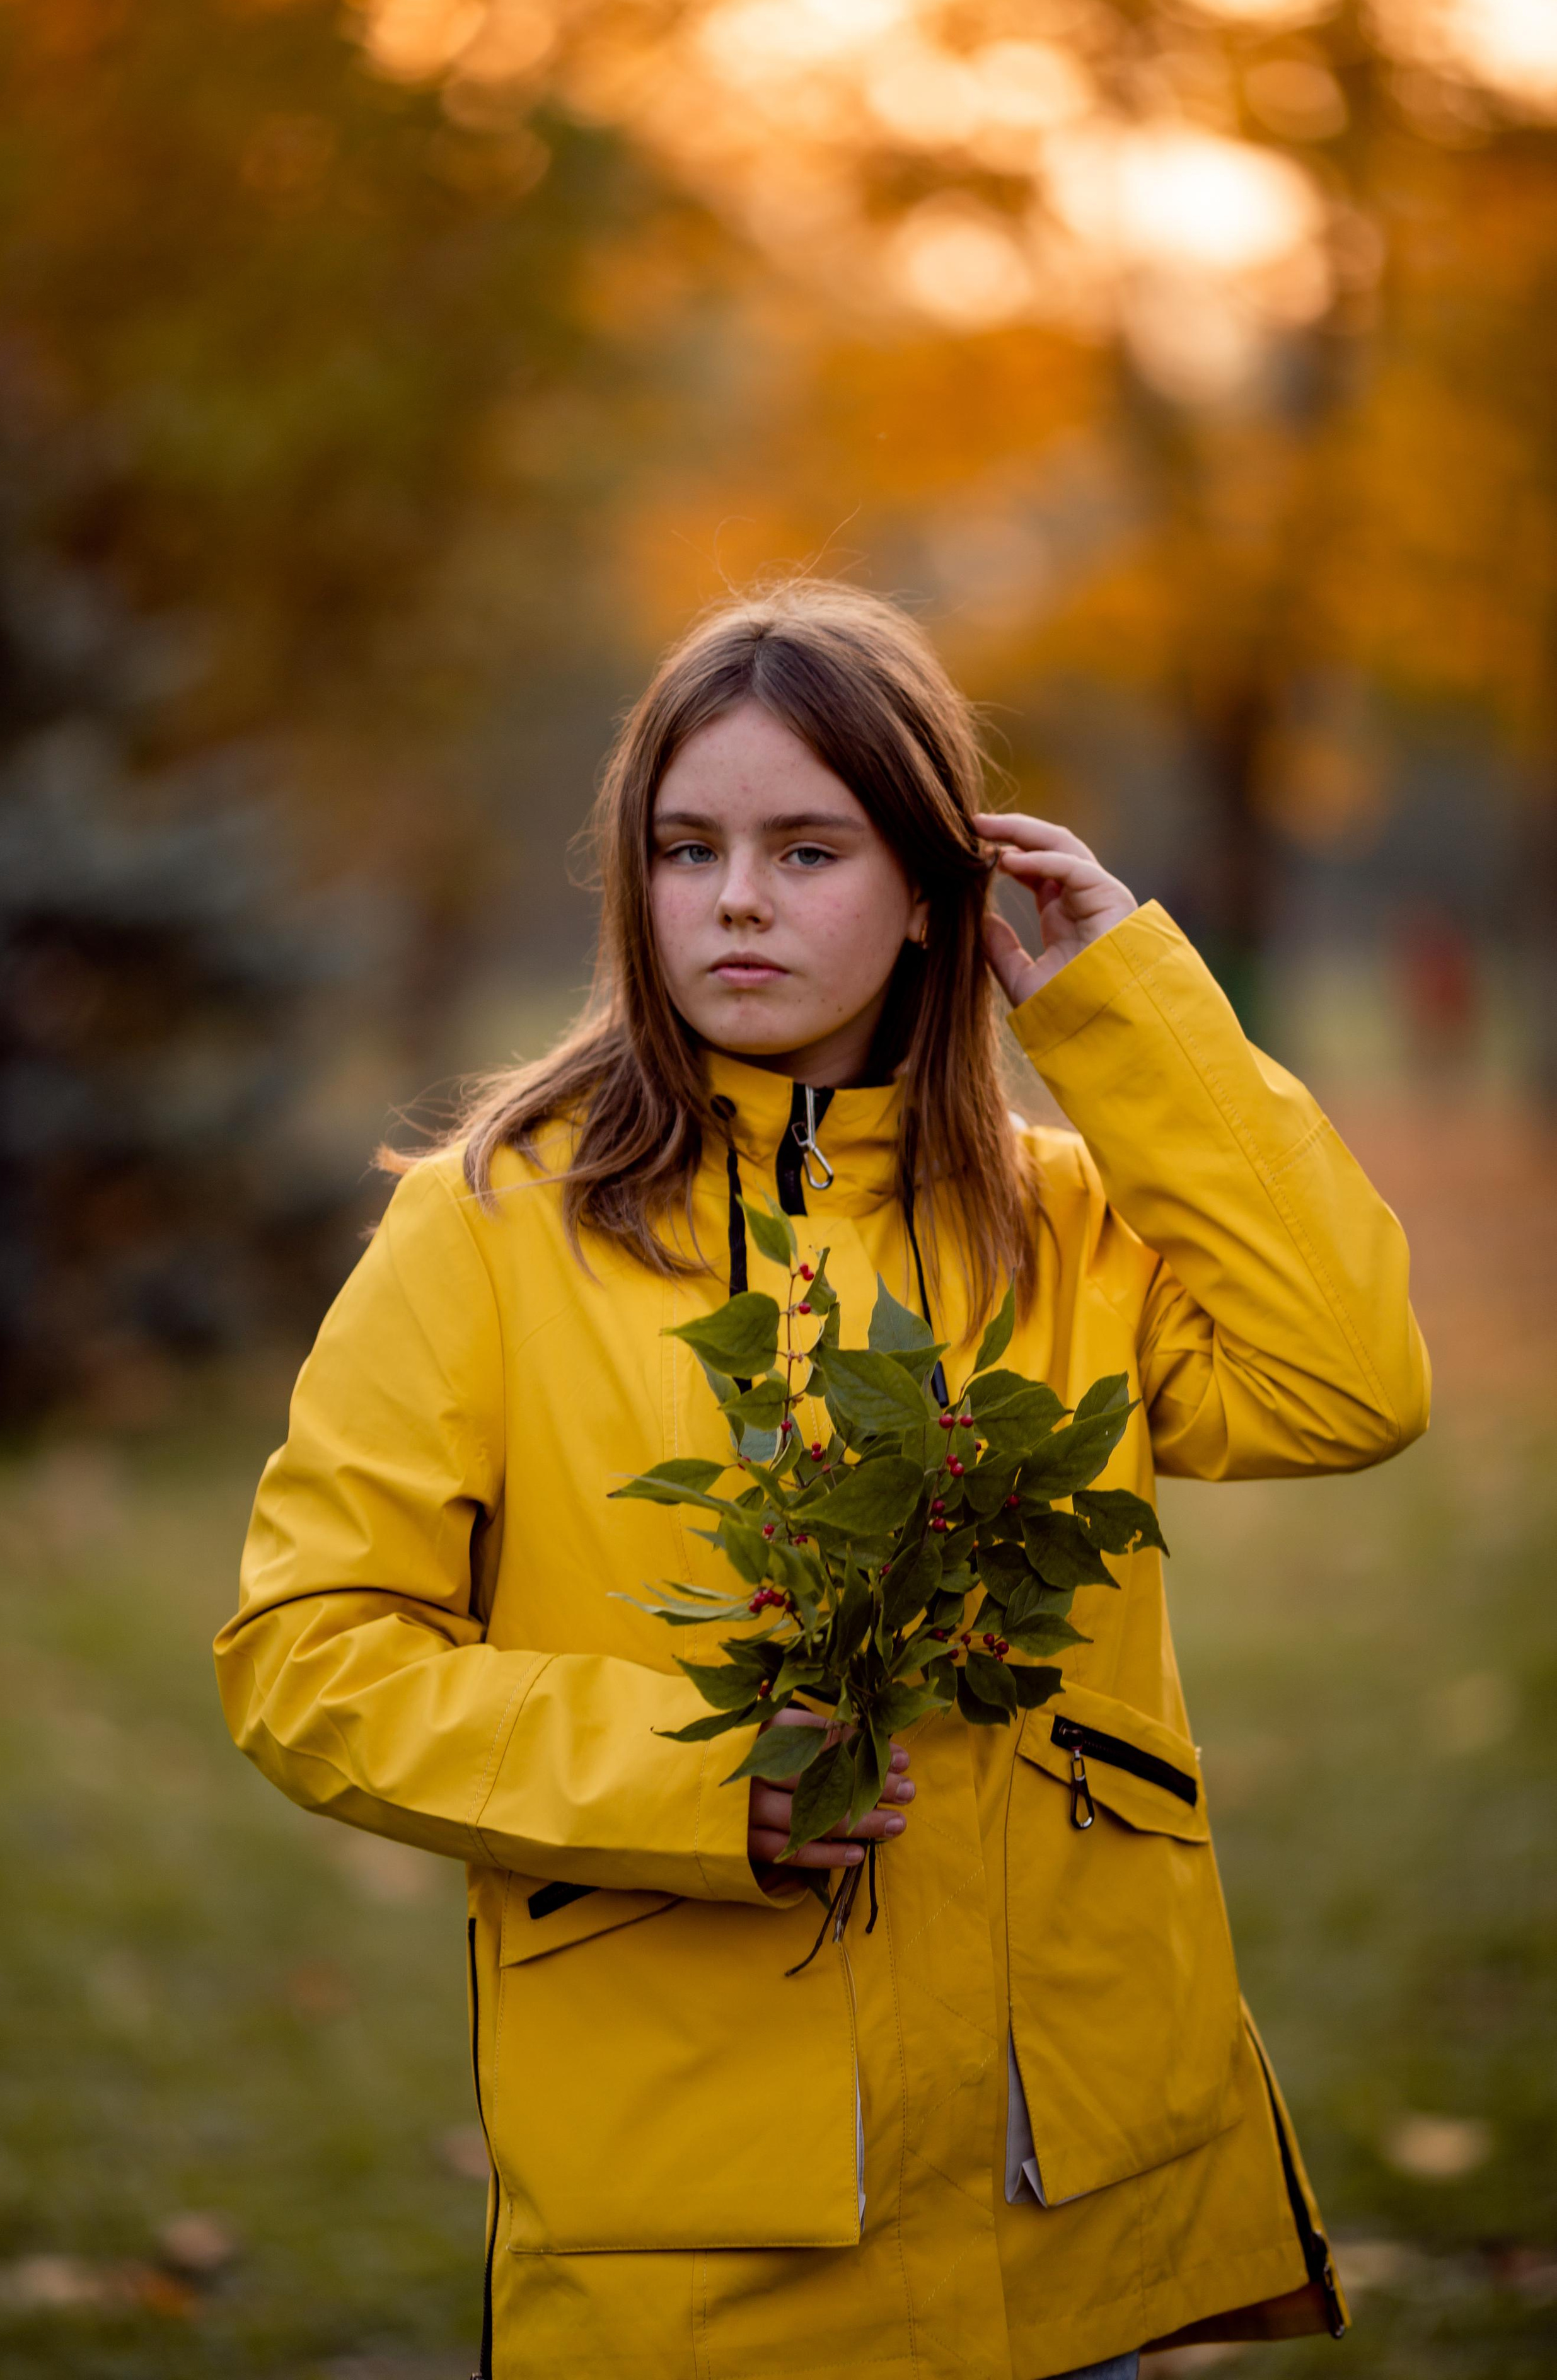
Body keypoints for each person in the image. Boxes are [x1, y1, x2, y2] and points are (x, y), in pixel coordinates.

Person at [215, 581, 1430, 2380]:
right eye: (687, 847)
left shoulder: (1063, 1228)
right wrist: (706, 1786)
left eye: (810, 847)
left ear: (938, 897)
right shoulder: (487, 1231)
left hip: (1056, 2196)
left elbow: (1347, 1382)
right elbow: (305, 1659)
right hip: (699, 2221)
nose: (737, 900)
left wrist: (1130, 1017)